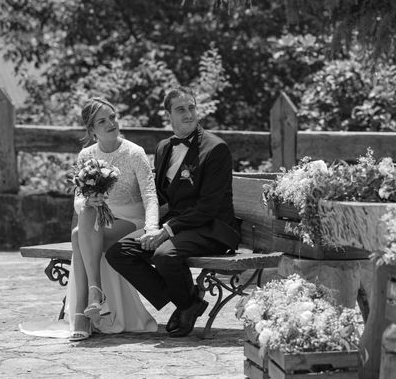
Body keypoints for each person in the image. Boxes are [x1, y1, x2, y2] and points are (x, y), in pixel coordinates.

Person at [106, 87, 241, 337]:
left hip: (212, 228)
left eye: (191, 107)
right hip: (179, 226)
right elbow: (160, 196)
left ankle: (186, 303)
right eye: (181, 109)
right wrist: (149, 226)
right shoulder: (163, 147)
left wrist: (165, 231)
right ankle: (188, 301)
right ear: (168, 114)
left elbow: (207, 207)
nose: (189, 114)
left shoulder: (216, 149)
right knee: (119, 252)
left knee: (164, 254)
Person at [20, 98, 159, 340]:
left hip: (131, 217)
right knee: (85, 215)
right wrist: (89, 201)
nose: (111, 123)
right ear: (92, 129)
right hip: (99, 219)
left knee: (78, 236)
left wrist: (151, 227)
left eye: (113, 117)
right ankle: (95, 296)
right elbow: (78, 198)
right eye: (102, 121)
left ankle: (81, 313)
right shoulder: (86, 155)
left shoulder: (135, 153)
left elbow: (149, 194)